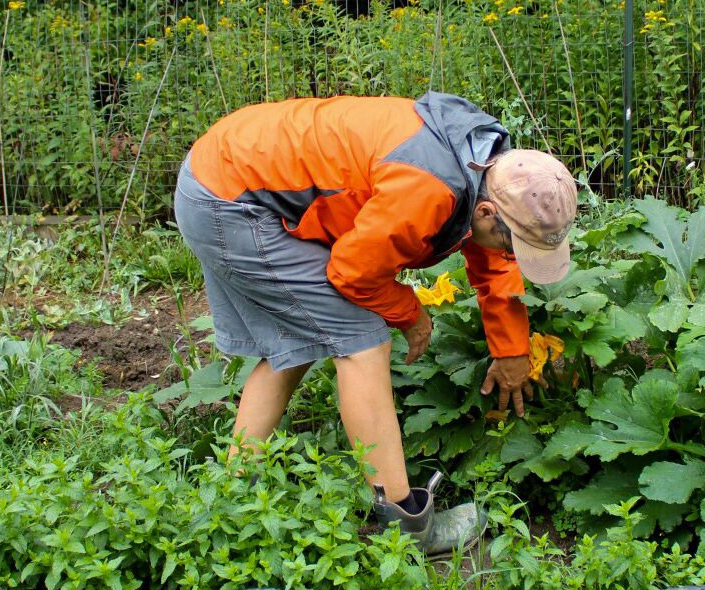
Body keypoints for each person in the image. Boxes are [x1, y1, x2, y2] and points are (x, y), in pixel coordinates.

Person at [173, 92, 578, 556]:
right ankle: (408, 526)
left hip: (234, 171)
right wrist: (411, 314)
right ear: (487, 214)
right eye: (516, 245)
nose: (513, 256)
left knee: (302, 337)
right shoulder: (426, 188)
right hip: (232, 199)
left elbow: (495, 258)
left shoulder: (485, 162)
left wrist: (511, 351)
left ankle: (235, 488)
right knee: (362, 340)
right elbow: (354, 272)